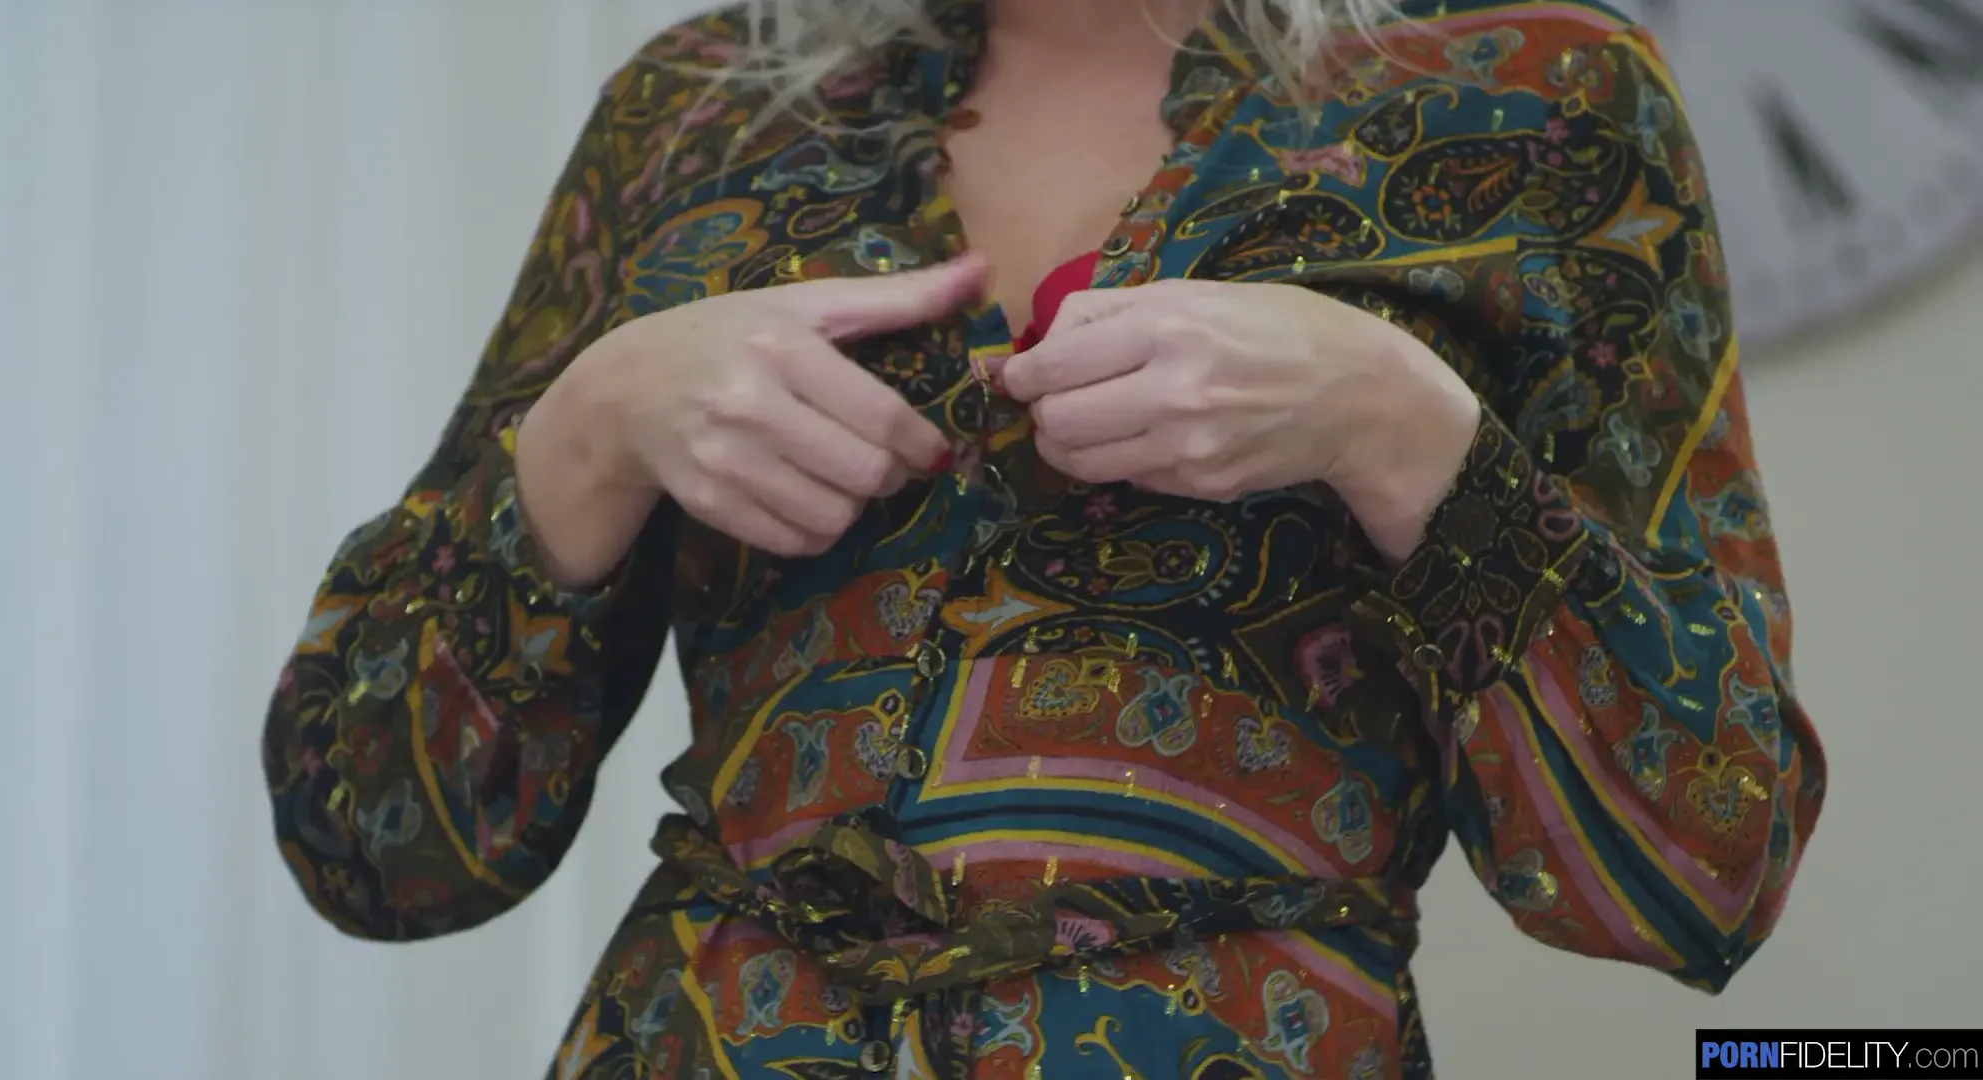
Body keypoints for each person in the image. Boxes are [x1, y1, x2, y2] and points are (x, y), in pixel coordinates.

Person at [260, 0, 1827, 1075]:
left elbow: (1704, 861)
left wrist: (1401, 429)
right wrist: (588, 435)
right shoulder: (699, 107)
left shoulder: (1542, 92)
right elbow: (370, 837)